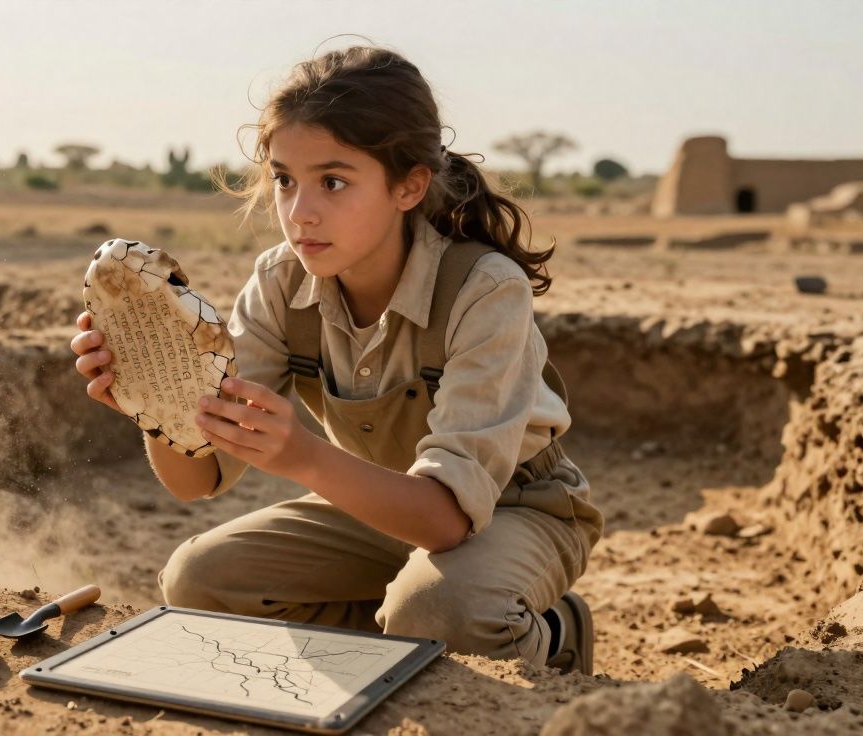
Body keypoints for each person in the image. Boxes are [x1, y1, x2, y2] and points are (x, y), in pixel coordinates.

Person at [70, 45, 603, 675]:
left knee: (439, 613)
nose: (300, 212)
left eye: (334, 181)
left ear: (409, 186)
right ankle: (399, 629)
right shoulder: (279, 283)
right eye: (285, 179)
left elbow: (446, 519)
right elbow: (197, 480)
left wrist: (299, 454)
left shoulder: (485, 289)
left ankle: (554, 631)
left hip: (513, 510)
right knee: (197, 583)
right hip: (375, 501)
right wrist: (153, 401)